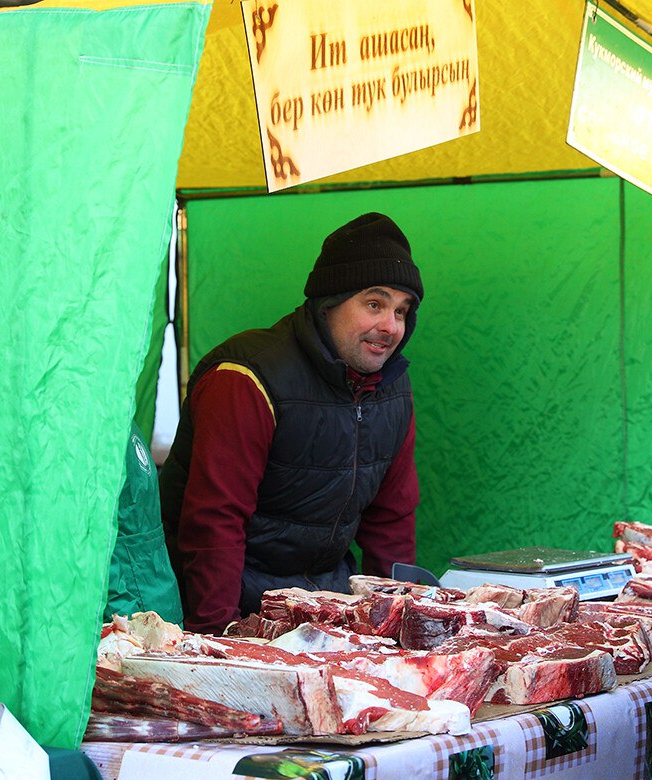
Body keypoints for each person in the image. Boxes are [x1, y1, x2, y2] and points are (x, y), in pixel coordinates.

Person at [159, 212, 423, 634]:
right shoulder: (246, 377)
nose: (390, 327)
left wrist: (396, 627)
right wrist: (216, 637)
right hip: (229, 602)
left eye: (402, 311)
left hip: (324, 602)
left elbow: (390, 520)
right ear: (329, 302)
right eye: (375, 304)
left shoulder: (392, 389)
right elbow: (215, 520)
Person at [105, 421, 183, 625]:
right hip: (129, 613)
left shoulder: (121, 418)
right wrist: (126, 622)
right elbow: (93, 546)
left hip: (159, 603)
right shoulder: (86, 425)